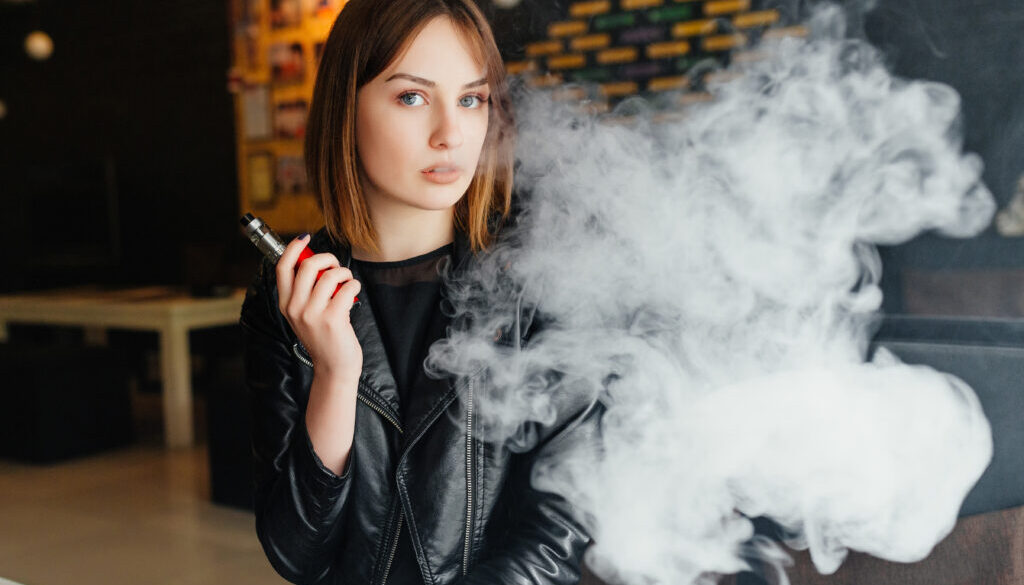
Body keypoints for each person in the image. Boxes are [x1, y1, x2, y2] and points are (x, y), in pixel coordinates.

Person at [240, 1, 600, 584]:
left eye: (471, 99)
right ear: (346, 107)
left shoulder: (542, 280)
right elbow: (296, 554)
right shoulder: (286, 299)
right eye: (412, 97)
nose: (451, 134)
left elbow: (561, 533)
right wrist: (334, 372)